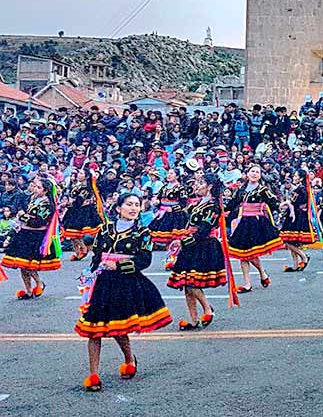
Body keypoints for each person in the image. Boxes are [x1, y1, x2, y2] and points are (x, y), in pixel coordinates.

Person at [75, 192, 173, 392]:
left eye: (137, 205)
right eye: (129, 204)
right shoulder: (104, 229)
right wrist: (90, 276)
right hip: (102, 284)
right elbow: (97, 256)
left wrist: (119, 266)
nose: (134, 208)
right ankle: (93, 375)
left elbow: (145, 260)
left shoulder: (143, 232)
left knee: (118, 328)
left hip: (126, 284)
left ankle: (129, 359)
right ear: (118, 208)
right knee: (94, 329)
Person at [167, 173, 228, 329]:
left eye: (201, 182)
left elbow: (203, 231)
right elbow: (189, 226)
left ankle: (208, 309)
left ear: (210, 187)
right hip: (191, 244)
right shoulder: (198, 203)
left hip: (205, 246)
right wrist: (179, 239)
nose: (197, 185)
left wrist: (183, 242)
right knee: (186, 284)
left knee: (192, 282)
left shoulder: (213, 206)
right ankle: (193, 320)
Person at [0, 176, 61, 298]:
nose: (35, 189)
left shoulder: (48, 205)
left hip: (35, 237)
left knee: (28, 264)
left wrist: (22, 216)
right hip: (23, 234)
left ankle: (38, 283)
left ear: (45, 191)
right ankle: (28, 290)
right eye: (35, 186)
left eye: (39, 187)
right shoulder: (32, 199)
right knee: (22, 265)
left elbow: (38, 222)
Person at [226, 165, 283, 293]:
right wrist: (221, 208)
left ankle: (262, 273)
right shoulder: (241, 189)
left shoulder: (263, 189)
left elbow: (273, 203)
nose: (254, 174)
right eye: (252, 171)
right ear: (247, 173)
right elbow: (233, 203)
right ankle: (248, 283)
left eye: (257, 172)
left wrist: (280, 210)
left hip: (256, 223)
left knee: (251, 253)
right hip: (244, 222)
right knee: (243, 255)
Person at [62, 170, 104, 261]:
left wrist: (67, 204)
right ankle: (77, 252)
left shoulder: (86, 188)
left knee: (76, 233)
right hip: (74, 211)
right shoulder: (77, 185)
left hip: (83, 211)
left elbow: (79, 201)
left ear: (86, 176)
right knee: (72, 234)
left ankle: (84, 248)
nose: (78, 175)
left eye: (81, 173)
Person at [278, 171, 313, 271]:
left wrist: (283, 204)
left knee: (288, 242)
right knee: (292, 242)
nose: (294, 177)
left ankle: (304, 257)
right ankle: (295, 265)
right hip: (299, 215)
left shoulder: (299, 189)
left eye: (296, 175)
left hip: (296, 216)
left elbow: (292, 202)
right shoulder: (304, 189)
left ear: (301, 178)